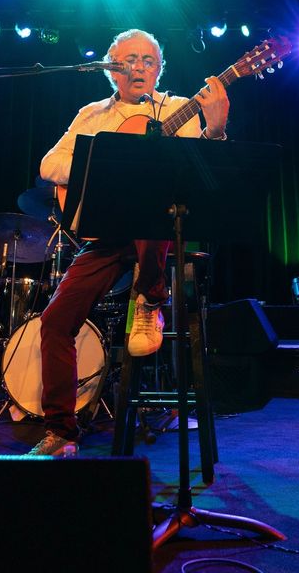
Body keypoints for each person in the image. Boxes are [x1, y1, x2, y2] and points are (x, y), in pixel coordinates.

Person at [30, 29, 230, 456]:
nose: (139, 67)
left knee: (151, 202)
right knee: (55, 321)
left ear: (159, 69)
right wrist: (104, 163)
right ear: (111, 68)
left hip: (160, 231)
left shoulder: (178, 109)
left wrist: (214, 128)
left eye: (148, 60)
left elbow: (205, 174)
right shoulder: (92, 114)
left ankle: (150, 299)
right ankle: (61, 432)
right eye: (129, 60)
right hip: (104, 234)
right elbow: (50, 165)